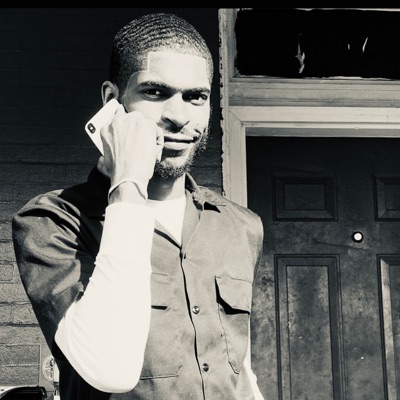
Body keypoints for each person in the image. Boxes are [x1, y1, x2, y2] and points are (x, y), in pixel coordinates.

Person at [12, 12, 265, 400]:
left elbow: (240, 367)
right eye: (156, 92)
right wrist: (128, 182)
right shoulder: (51, 222)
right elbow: (111, 370)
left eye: (196, 97)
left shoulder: (240, 224)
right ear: (112, 102)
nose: (179, 117)